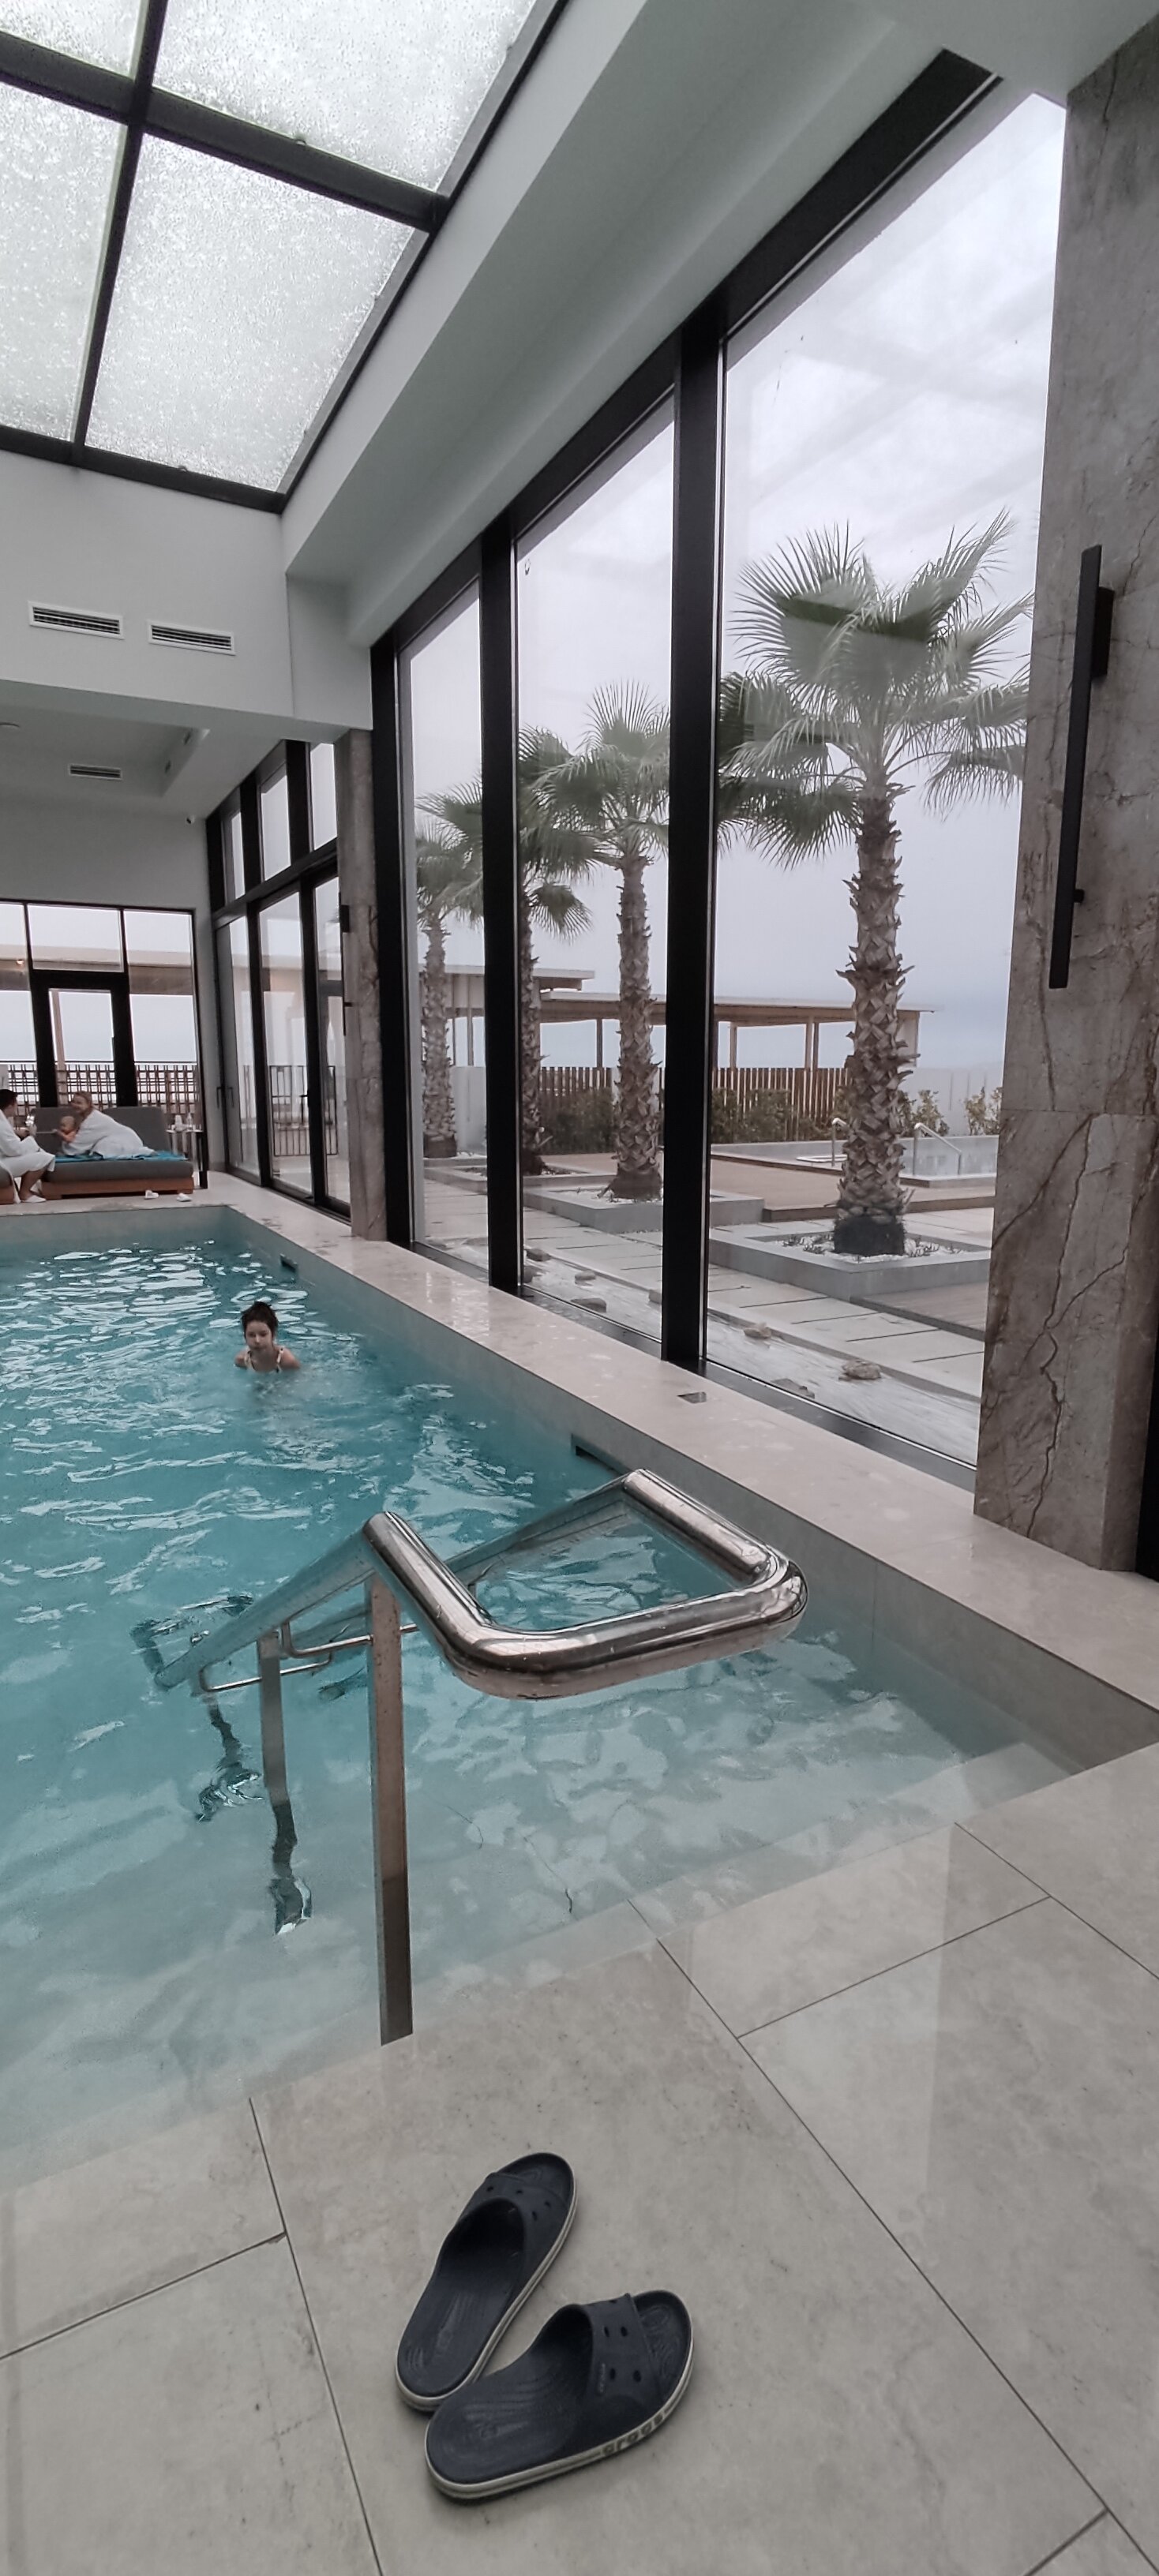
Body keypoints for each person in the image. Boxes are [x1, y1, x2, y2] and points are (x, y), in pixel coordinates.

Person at [59, 1092, 152, 1158]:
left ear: (88, 1104)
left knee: (102, 1147)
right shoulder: (84, 1118)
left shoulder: (94, 1120)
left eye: (79, 1103)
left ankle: (141, 1151)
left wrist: (63, 1142)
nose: (75, 1105)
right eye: (73, 1102)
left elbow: (77, 1146)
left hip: (126, 1140)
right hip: (118, 1138)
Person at [0, 1089, 54, 1201]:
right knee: (44, 1158)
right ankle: (25, 1193)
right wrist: (32, 1136)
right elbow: (14, 1150)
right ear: (10, 1106)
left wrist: (16, 1133)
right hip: (3, 1163)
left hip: (3, 1159)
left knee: (36, 1154)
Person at [234, 1301, 301, 1372]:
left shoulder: (286, 1360)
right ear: (245, 1337)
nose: (257, 1340)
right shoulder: (241, 1361)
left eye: (263, 1334)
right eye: (251, 1335)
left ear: (273, 1335)